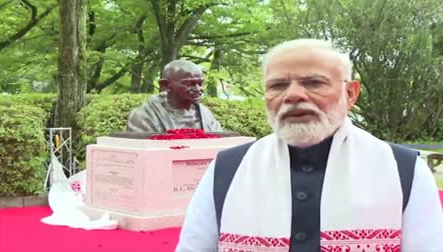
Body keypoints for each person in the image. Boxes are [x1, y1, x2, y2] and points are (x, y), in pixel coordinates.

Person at [176, 39, 443, 251]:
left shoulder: (404, 169)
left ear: (350, 94)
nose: (293, 95)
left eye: (314, 82)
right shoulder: (227, 168)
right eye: (278, 85)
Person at [126, 59, 222, 133]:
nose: (197, 89)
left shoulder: (206, 115)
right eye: (189, 84)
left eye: (200, 83)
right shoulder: (144, 116)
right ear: (166, 85)